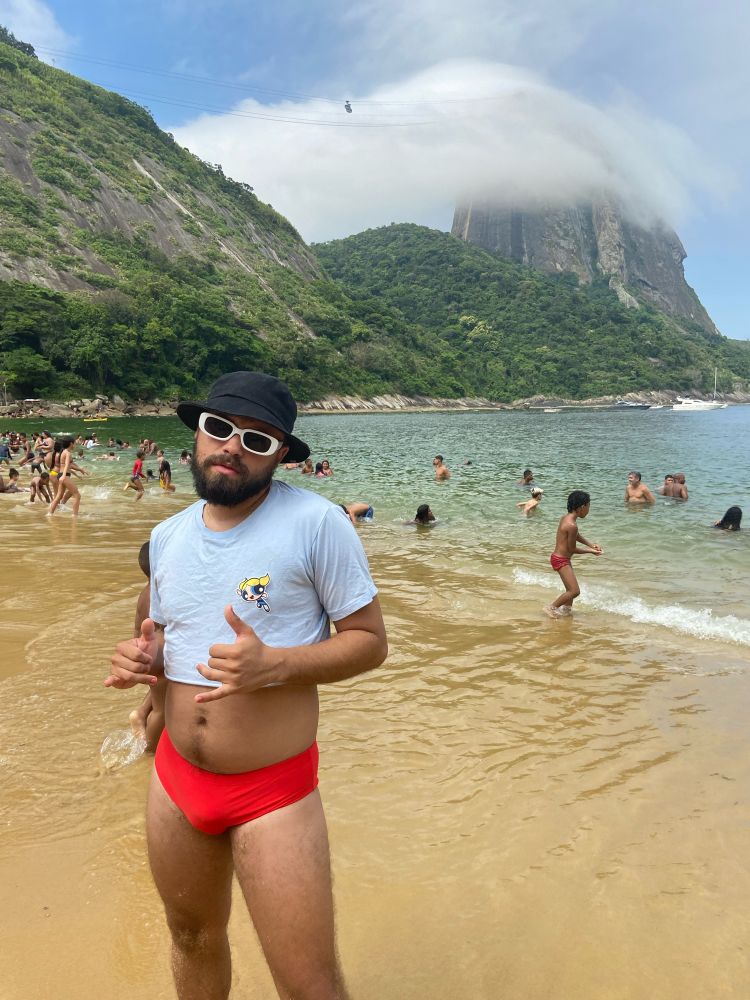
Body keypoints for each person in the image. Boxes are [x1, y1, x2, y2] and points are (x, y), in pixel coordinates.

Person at [105, 371, 387, 1000]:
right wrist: (143, 660)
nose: (232, 447)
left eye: (257, 440)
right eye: (220, 428)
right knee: (191, 938)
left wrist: (275, 665)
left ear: (281, 455)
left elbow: (370, 641)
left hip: (272, 791)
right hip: (176, 779)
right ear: (197, 433)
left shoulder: (318, 524)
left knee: (308, 982)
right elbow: (162, 635)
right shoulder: (167, 536)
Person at [129, 542, 167, 752]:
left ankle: (141, 713)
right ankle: (148, 751)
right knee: (162, 710)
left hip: (144, 654)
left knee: (159, 693)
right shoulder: (160, 595)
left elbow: (137, 628)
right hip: (157, 656)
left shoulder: (144, 593)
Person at [545, 490, 602, 619]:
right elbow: (572, 549)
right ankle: (551, 607)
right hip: (561, 560)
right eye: (588, 506)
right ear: (582, 507)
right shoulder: (572, 525)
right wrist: (591, 551)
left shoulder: (566, 518)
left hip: (558, 558)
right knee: (574, 591)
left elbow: (576, 536)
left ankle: (566, 611)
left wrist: (590, 544)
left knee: (569, 590)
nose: (588, 510)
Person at [47, 439, 81, 516]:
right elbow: (67, 465)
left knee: (58, 496)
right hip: (60, 474)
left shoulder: (58, 453)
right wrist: (64, 475)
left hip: (55, 474)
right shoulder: (65, 453)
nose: (75, 445)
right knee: (76, 495)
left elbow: (64, 465)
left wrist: (78, 472)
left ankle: (50, 513)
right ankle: (74, 515)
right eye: (74, 443)